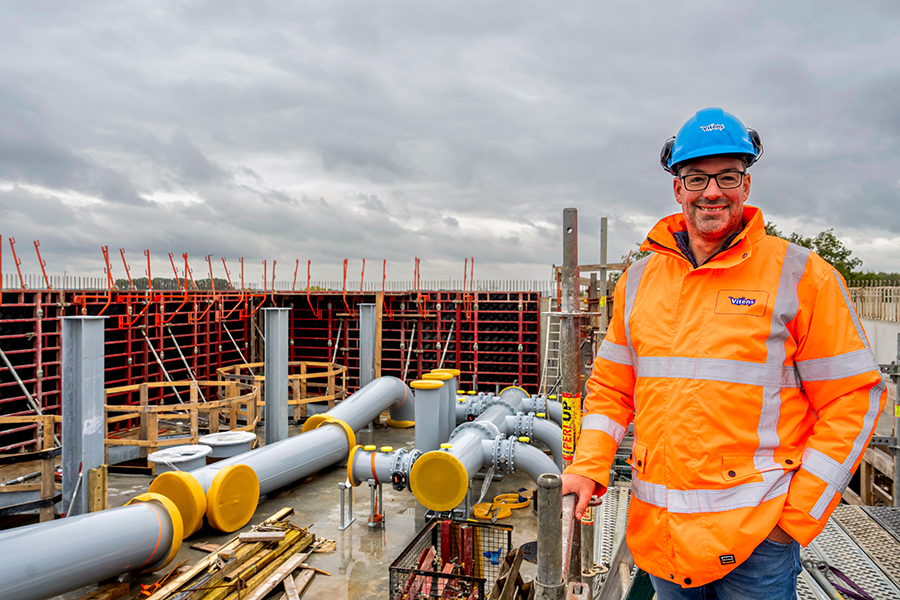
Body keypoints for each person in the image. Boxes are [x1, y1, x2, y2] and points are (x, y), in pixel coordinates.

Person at [561, 107, 887, 599]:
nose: (712, 191)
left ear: (746, 184)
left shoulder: (801, 276)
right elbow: (610, 390)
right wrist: (588, 466)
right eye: (696, 178)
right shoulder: (637, 282)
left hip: (759, 546)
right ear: (678, 189)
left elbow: (853, 399)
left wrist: (794, 521)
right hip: (663, 539)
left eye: (727, 176)